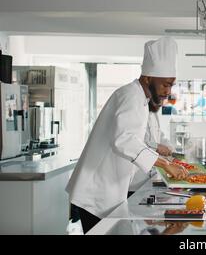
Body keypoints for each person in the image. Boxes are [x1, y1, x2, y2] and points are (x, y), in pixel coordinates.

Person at [65, 37, 189, 234]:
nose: (168, 91)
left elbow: (133, 142)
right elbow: (123, 140)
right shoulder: (130, 95)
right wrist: (166, 164)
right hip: (96, 192)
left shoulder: (140, 98)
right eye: (165, 85)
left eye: (171, 85)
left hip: (109, 190)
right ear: (148, 78)